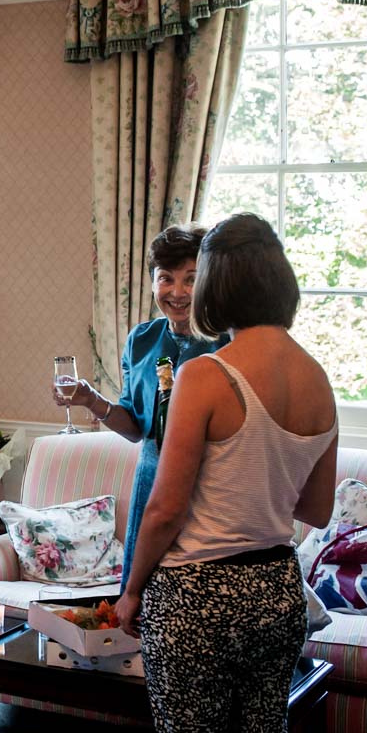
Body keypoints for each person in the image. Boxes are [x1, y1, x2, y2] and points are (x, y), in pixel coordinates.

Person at [115, 213, 338, 733]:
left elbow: (164, 507)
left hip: (196, 595)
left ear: (218, 284)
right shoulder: (319, 380)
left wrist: (133, 589)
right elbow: (316, 509)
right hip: (276, 591)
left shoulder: (206, 374)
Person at [55, 224, 228, 591]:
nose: (177, 292)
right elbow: (135, 428)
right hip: (151, 479)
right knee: (145, 599)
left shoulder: (227, 342)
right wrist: (91, 399)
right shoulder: (141, 339)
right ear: (152, 282)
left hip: (208, 487)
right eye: (166, 279)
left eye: (191, 279)